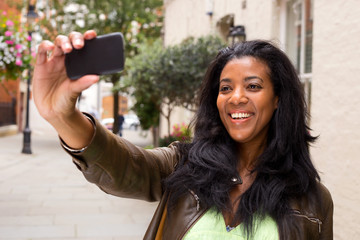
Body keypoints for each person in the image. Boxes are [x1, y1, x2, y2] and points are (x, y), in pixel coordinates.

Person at [33, 30, 333, 240]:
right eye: (225, 88)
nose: (235, 97)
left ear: (278, 98)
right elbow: (122, 166)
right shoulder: (184, 165)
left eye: (253, 86)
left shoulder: (314, 202)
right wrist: (63, 116)